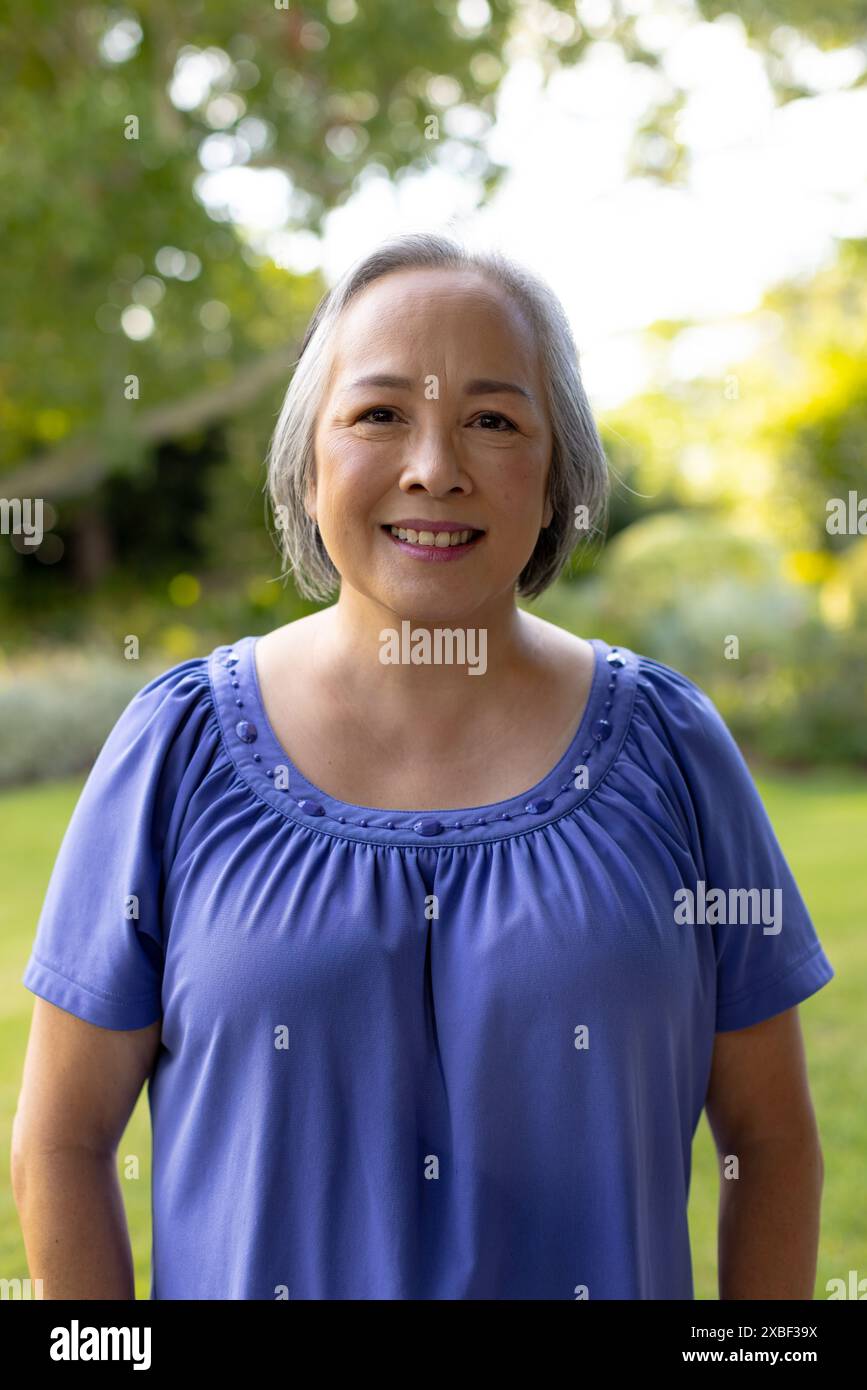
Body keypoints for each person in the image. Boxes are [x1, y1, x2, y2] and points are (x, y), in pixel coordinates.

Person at [13, 232, 834, 1300]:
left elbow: (769, 1145)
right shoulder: (175, 750)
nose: (434, 467)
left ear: (556, 481)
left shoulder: (674, 749)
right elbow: (62, 1146)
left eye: (493, 420)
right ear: (310, 467)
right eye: (380, 413)